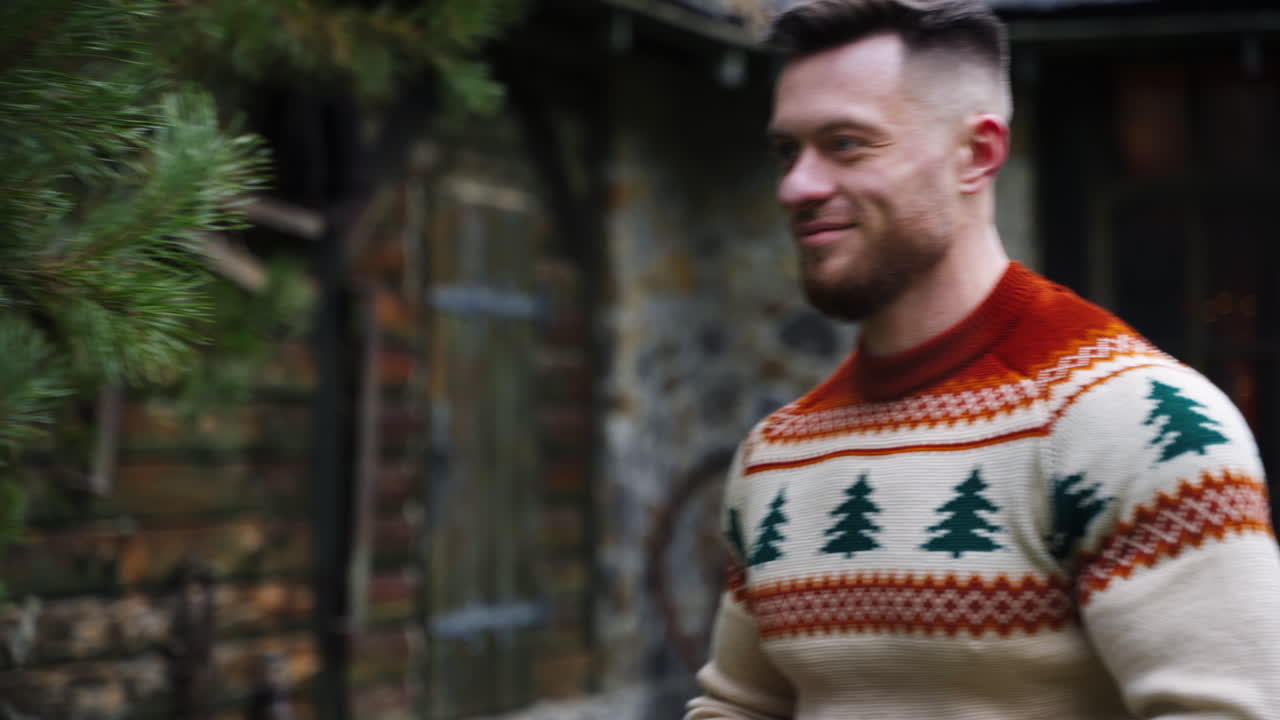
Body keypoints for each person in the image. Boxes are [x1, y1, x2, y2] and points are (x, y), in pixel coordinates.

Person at [685, 1, 1280, 718]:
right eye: (789, 151)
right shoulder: (776, 456)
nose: (797, 186)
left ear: (978, 155)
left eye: (846, 144)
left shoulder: (1143, 426)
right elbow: (736, 709)